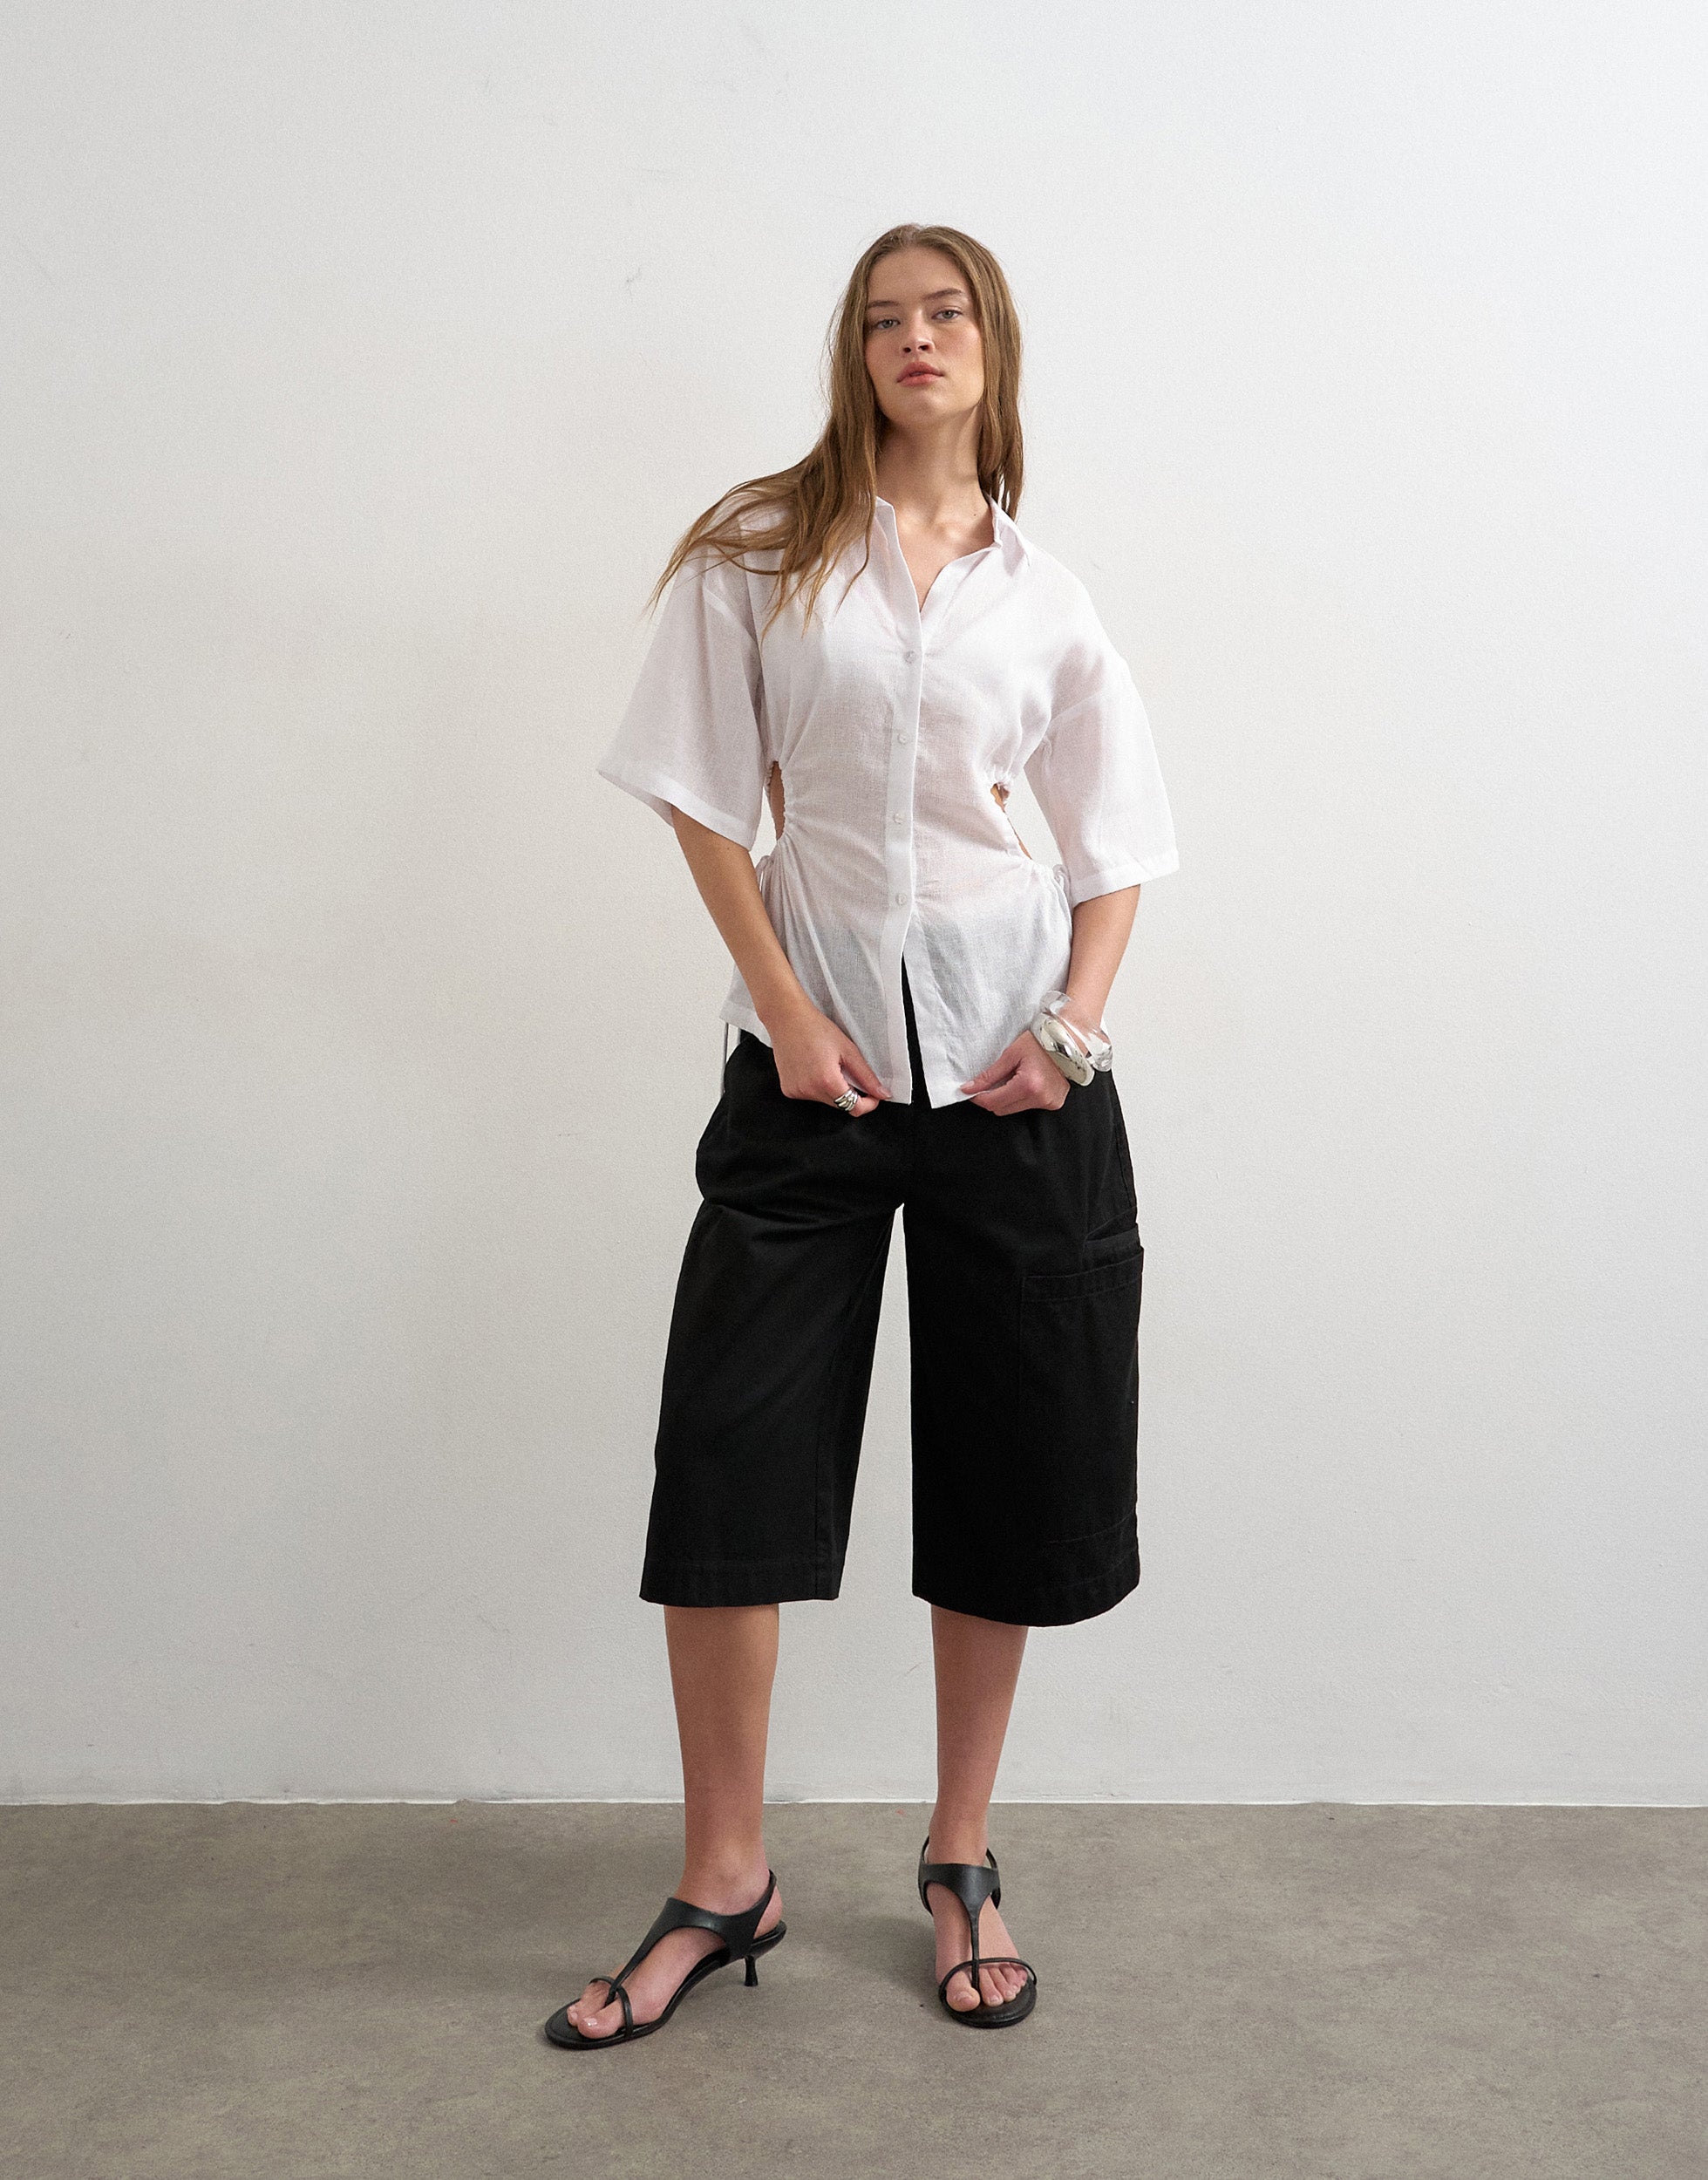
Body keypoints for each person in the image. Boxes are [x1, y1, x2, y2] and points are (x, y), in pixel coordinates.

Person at [545, 222, 1179, 2048]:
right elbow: (702, 801)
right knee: (726, 1464)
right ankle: (722, 1875)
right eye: (885, 316)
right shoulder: (762, 554)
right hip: (804, 1076)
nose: (917, 338)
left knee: (1012, 1465)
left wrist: (1071, 1029)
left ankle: (959, 1853)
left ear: (991, 345)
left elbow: (1115, 844)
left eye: (946, 311)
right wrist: (789, 1004)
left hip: (1009, 1084)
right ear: (853, 351)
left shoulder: (1044, 596)